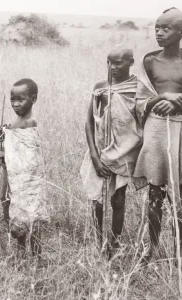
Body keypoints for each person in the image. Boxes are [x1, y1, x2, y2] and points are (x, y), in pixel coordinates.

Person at [81, 45, 143, 254]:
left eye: (118, 63)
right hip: (100, 151)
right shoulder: (101, 86)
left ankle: (114, 243)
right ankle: (99, 241)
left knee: (118, 198)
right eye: (109, 62)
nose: (112, 67)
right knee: (97, 201)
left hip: (124, 153)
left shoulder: (138, 88)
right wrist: (94, 157)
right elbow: (90, 122)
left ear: (131, 63)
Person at [134, 7, 182, 261]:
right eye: (157, 28)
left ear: (180, 32)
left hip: (179, 131)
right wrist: (162, 97)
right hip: (154, 130)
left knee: (178, 194)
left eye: (167, 28)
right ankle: (149, 250)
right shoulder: (149, 61)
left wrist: (178, 101)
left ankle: (178, 252)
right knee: (155, 193)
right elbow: (140, 100)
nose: (160, 33)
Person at [0, 78, 49, 265]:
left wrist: (3, 145)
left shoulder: (29, 123)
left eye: (20, 99)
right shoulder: (17, 123)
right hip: (15, 178)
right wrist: (6, 134)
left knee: (31, 216)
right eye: (12, 100)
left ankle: (37, 256)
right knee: (17, 215)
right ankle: (23, 253)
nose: (15, 104)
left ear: (33, 99)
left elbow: (25, 156)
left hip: (27, 179)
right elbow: (13, 148)